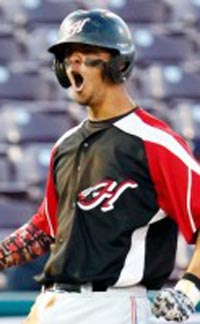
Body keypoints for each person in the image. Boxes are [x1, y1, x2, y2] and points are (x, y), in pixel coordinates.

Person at [0, 8, 200, 324]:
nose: (73, 63)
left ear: (117, 64)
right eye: (68, 56)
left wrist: (190, 286)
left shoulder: (154, 142)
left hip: (112, 305)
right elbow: (46, 230)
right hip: (52, 303)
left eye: (86, 53)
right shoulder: (64, 146)